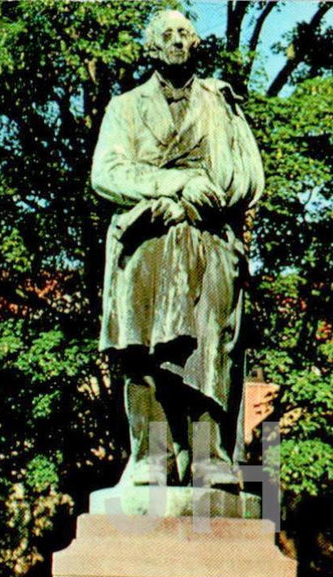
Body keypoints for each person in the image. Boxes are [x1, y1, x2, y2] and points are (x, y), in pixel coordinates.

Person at [91, 9, 264, 487]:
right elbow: (106, 174)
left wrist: (194, 204)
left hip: (207, 239)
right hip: (144, 242)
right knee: (140, 345)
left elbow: (249, 176)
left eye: (184, 34)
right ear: (150, 47)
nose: (176, 42)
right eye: (165, 35)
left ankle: (210, 459)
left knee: (211, 344)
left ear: (196, 44)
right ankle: (150, 458)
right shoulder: (125, 108)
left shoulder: (221, 105)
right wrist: (171, 185)